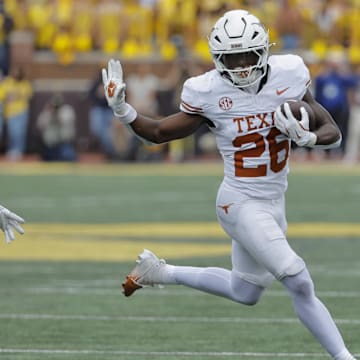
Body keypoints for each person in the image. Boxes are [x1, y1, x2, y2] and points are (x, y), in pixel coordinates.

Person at [102, 10, 356, 360]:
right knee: (298, 279)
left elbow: (333, 133)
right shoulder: (207, 91)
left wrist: (308, 136)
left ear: (264, 50)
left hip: (272, 201)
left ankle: (161, 271)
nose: (240, 65)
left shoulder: (290, 73)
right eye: (230, 57)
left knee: (245, 291)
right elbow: (159, 133)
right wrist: (122, 111)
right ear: (216, 58)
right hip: (239, 202)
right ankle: (344, 357)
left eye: (247, 55)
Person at [36, 93, 77, 162]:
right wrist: (48, 113)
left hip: (64, 143)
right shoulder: (48, 111)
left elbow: (63, 122)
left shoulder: (67, 110)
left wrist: (57, 113)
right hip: (50, 145)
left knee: (68, 157)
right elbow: (40, 125)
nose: (56, 107)